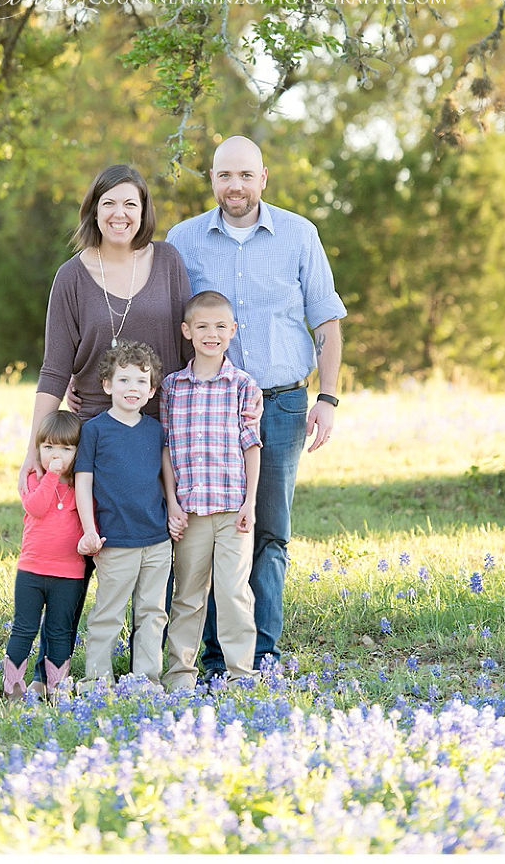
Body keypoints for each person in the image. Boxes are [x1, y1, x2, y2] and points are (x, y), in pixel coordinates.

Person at [166, 135, 347, 678]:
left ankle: (259, 655)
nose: (235, 186)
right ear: (212, 179)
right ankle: (213, 657)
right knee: (205, 530)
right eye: (225, 175)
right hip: (206, 409)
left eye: (246, 175)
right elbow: (166, 321)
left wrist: (328, 397)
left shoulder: (299, 234)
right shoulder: (183, 240)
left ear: (263, 178)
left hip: (281, 403)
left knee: (267, 531)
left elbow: (326, 319)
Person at [17, 164, 192, 687]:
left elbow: (188, 350)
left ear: (144, 211)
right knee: (76, 558)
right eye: (109, 203)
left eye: (130, 204)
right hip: (90, 436)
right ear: (94, 210)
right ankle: (56, 671)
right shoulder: (71, 277)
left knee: (155, 559)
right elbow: (55, 369)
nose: (120, 214)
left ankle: (149, 673)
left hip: (157, 434)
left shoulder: (168, 262)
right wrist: (32, 450)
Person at [160, 291, 262, 690]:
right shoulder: (172, 387)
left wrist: (250, 503)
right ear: (187, 331)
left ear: (233, 330)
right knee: (187, 594)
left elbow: (251, 445)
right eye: (202, 326)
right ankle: (180, 675)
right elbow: (166, 448)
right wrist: (172, 503)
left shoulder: (242, 385)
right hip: (191, 512)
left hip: (233, 509)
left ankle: (240, 674)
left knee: (234, 592)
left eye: (220, 326)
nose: (211, 334)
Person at [73, 340, 172, 688]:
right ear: (107, 385)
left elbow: (164, 480)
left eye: (142, 381)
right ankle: (97, 681)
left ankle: (146, 681)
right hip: (114, 540)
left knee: (152, 613)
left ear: (152, 390)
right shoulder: (94, 430)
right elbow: (83, 482)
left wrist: (173, 514)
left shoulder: (155, 430)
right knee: (108, 614)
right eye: (124, 379)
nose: (133, 388)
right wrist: (89, 530)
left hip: (156, 540)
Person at [2, 410, 85, 702]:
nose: (56, 455)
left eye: (66, 448)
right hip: (32, 571)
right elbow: (36, 508)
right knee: (23, 628)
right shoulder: (34, 478)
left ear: (78, 451)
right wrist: (51, 476)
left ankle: (56, 689)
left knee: (59, 631)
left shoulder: (81, 484)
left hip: (68, 574)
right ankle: (13, 688)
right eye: (48, 447)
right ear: (37, 448)